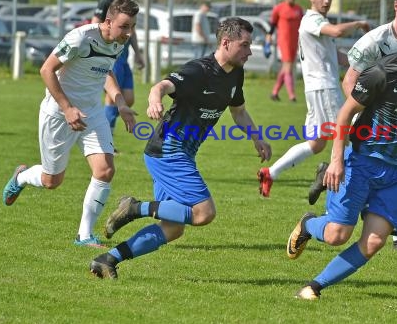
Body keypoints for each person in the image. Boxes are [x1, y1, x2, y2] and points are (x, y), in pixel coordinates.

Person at [89, 17, 272, 279]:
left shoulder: (236, 74)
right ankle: (135, 208)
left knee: (173, 228)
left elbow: (238, 111)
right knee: (203, 213)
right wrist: (154, 100)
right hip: (169, 151)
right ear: (225, 42)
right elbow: (161, 86)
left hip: (178, 153)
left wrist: (257, 137)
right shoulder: (200, 70)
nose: (250, 51)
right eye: (244, 45)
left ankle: (107, 259)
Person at [287, 6, 397, 300]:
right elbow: (345, 116)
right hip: (361, 164)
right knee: (337, 235)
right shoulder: (381, 73)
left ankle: (314, 286)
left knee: (373, 242)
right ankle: (309, 223)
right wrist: (336, 161)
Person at [1, 0, 139, 247]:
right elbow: (46, 70)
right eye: (125, 26)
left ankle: (84, 235)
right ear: (108, 21)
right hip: (58, 113)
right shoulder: (81, 38)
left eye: (132, 26)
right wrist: (67, 108)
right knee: (51, 181)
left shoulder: (117, 42)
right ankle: (20, 178)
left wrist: (120, 103)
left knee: (105, 170)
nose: (129, 33)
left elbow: (104, 71)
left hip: (93, 113)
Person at [307, 0, 397, 251]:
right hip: (367, 115)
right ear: (396, 7)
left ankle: (392, 230)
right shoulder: (375, 41)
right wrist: (368, 110)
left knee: (396, 164)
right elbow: (349, 80)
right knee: (379, 166)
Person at [257, 0, 369, 198]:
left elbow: (335, 56)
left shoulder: (319, 22)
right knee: (348, 136)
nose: (326, 0)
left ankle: (270, 173)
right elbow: (336, 32)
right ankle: (347, 185)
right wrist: (358, 24)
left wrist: (362, 65)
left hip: (319, 88)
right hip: (324, 88)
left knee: (316, 144)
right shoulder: (311, 21)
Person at [92, 0, 145, 151]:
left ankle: (103, 128)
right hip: (112, 55)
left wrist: (138, 53)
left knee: (128, 98)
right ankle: (106, 141)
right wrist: (101, 48)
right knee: (113, 97)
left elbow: (133, 31)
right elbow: (95, 23)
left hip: (125, 55)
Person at [266, 0, 304, 102]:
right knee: (288, 67)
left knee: (286, 68)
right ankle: (292, 95)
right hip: (284, 41)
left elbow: (302, 26)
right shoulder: (279, 8)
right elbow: (272, 24)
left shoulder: (298, 9)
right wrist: (269, 36)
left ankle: (274, 93)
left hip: (295, 42)